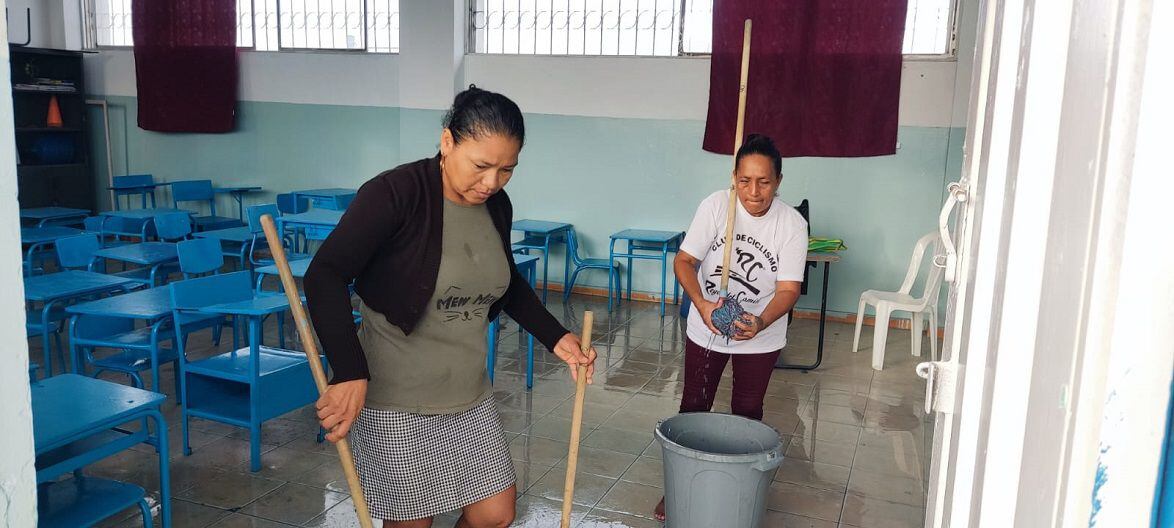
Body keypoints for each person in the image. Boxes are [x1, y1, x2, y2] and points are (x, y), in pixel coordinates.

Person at [303, 86, 597, 528]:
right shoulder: (395, 194)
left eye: (507, 170)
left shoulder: (496, 205)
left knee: (495, 514)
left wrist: (557, 337)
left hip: (468, 393)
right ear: (447, 142)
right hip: (396, 398)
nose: (492, 182)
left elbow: (504, 281)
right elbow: (324, 274)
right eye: (481, 166)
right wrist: (348, 371)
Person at [654, 134, 808, 521]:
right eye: (745, 180)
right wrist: (703, 305)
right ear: (734, 177)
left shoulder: (791, 223)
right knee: (693, 407)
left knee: (747, 413)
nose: (753, 192)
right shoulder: (716, 206)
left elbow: (789, 289)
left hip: (761, 335)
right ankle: (679, 489)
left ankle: (743, 491)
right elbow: (684, 262)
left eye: (764, 181)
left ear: (779, 180)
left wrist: (759, 322)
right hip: (706, 327)